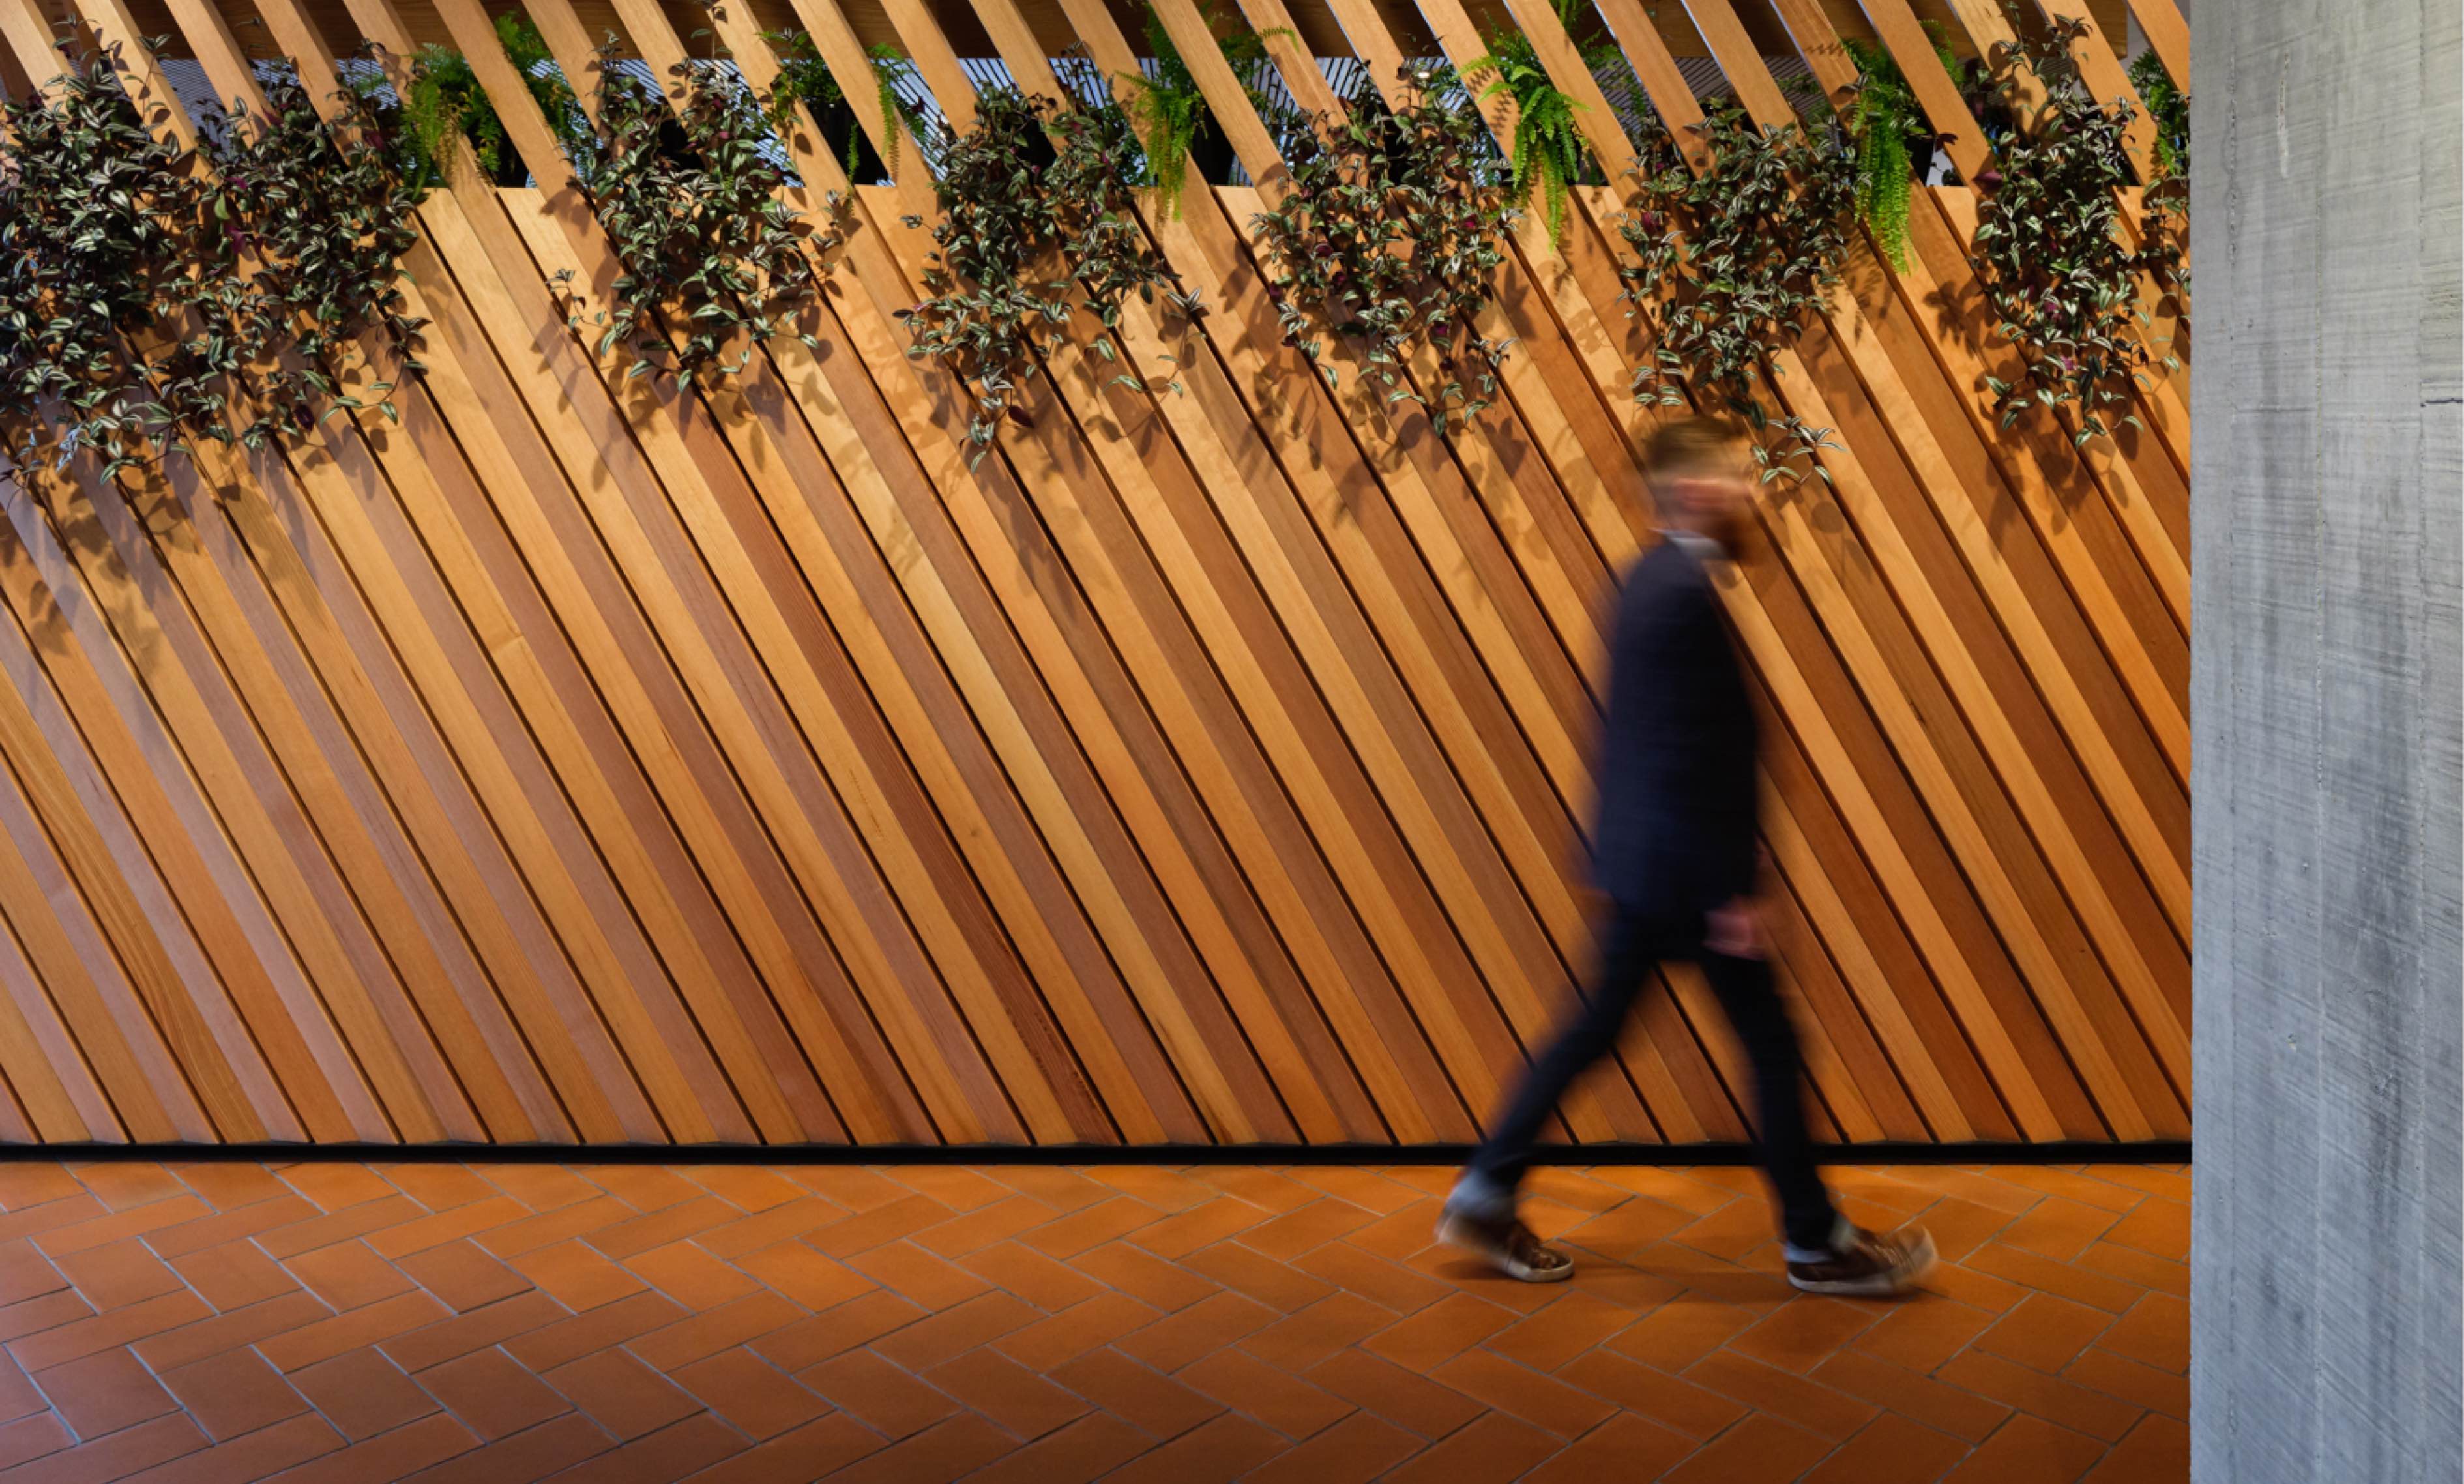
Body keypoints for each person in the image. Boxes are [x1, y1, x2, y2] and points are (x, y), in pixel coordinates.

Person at [1437, 416, 1936, 1298]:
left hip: (1648, 865)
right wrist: (1732, 889)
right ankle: (1816, 1242)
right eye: (1741, 479)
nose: (1753, 493)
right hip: (1683, 873)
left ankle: (1484, 1192)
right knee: (1768, 1045)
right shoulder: (1678, 593)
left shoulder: (1649, 579)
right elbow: (1684, 754)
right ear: (1699, 491)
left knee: (1597, 1032)